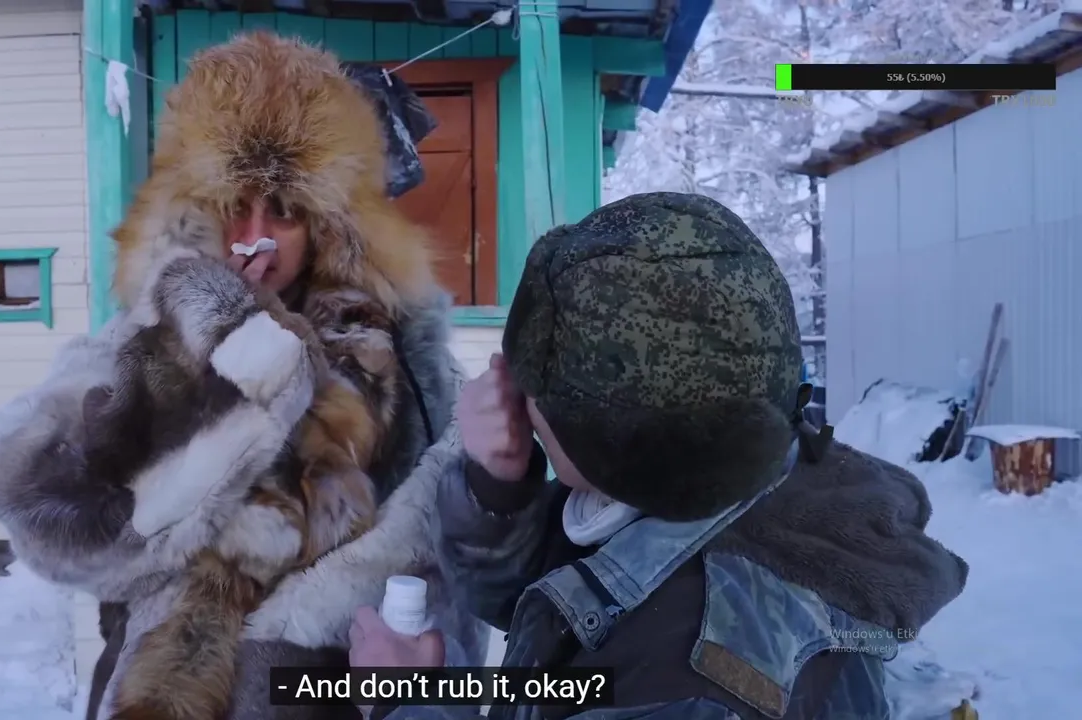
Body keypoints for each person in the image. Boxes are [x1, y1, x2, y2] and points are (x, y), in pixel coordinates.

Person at [0, 34, 486, 720]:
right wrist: (202, 341)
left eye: (284, 211)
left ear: (329, 223)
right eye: (233, 204)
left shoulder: (397, 365)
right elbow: (46, 516)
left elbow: (438, 585)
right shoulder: (144, 335)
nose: (255, 236)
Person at [348, 192, 970, 719]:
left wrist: (406, 700)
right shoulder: (736, 487)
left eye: (536, 385)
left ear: (609, 443)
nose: (512, 395)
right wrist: (502, 486)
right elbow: (560, 607)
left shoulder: (697, 675)